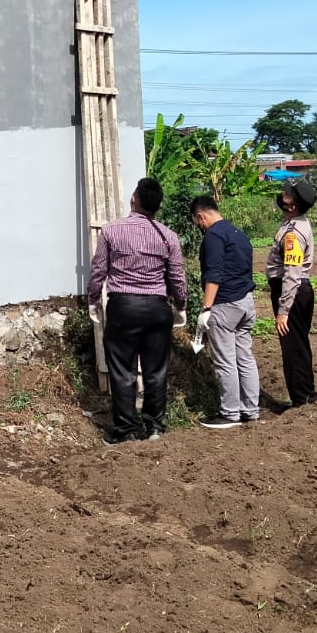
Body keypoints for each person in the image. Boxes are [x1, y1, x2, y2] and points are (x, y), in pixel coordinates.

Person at [87, 177, 188, 444]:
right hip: (157, 308)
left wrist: (93, 300)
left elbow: (99, 270)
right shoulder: (168, 236)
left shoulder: (111, 232)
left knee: (123, 371)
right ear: (159, 205)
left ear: (134, 199)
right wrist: (181, 306)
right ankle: (155, 427)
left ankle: (126, 431)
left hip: (124, 308)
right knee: (156, 370)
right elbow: (177, 277)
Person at [190, 195, 260, 429]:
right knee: (245, 358)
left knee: (225, 361)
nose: (199, 227)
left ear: (201, 216)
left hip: (225, 304)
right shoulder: (238, 234)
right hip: (246, 302)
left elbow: (214, 274)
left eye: (196, 222)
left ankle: (230, 413)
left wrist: (206, 308)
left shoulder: (214, 237)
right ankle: (251, 410)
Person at [266, 178, 317, 409]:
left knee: (292, 347)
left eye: (286, 194)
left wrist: (283, 310)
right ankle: (307, 393)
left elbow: (291, 273)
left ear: (293, 205)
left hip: (292, 292)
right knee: (300, 343)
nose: (281, 195)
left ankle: (300, 399)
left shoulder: (293, 234)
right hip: (300, 291)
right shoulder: (296, 223)